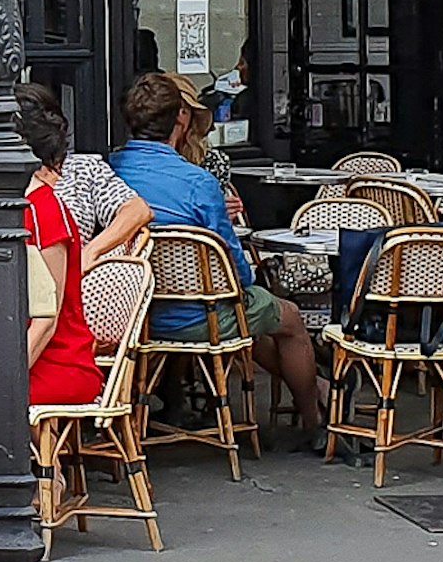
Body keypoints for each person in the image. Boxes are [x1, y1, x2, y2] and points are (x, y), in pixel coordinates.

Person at [106, 74, 320, 434]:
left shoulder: (110, 169)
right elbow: (235, 271)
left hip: (131, 317)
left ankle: (320, 392)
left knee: (259, 318)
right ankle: (316, 425)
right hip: (196, 318)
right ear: (182, 120)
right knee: (289, 318)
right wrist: (248, 279)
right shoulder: (197, 182)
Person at [13, 82, 150, 413]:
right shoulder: (12, 200)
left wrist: (91, 252)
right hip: (33, 337)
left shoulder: (45, 206)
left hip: (58, 352)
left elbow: (46, 317)